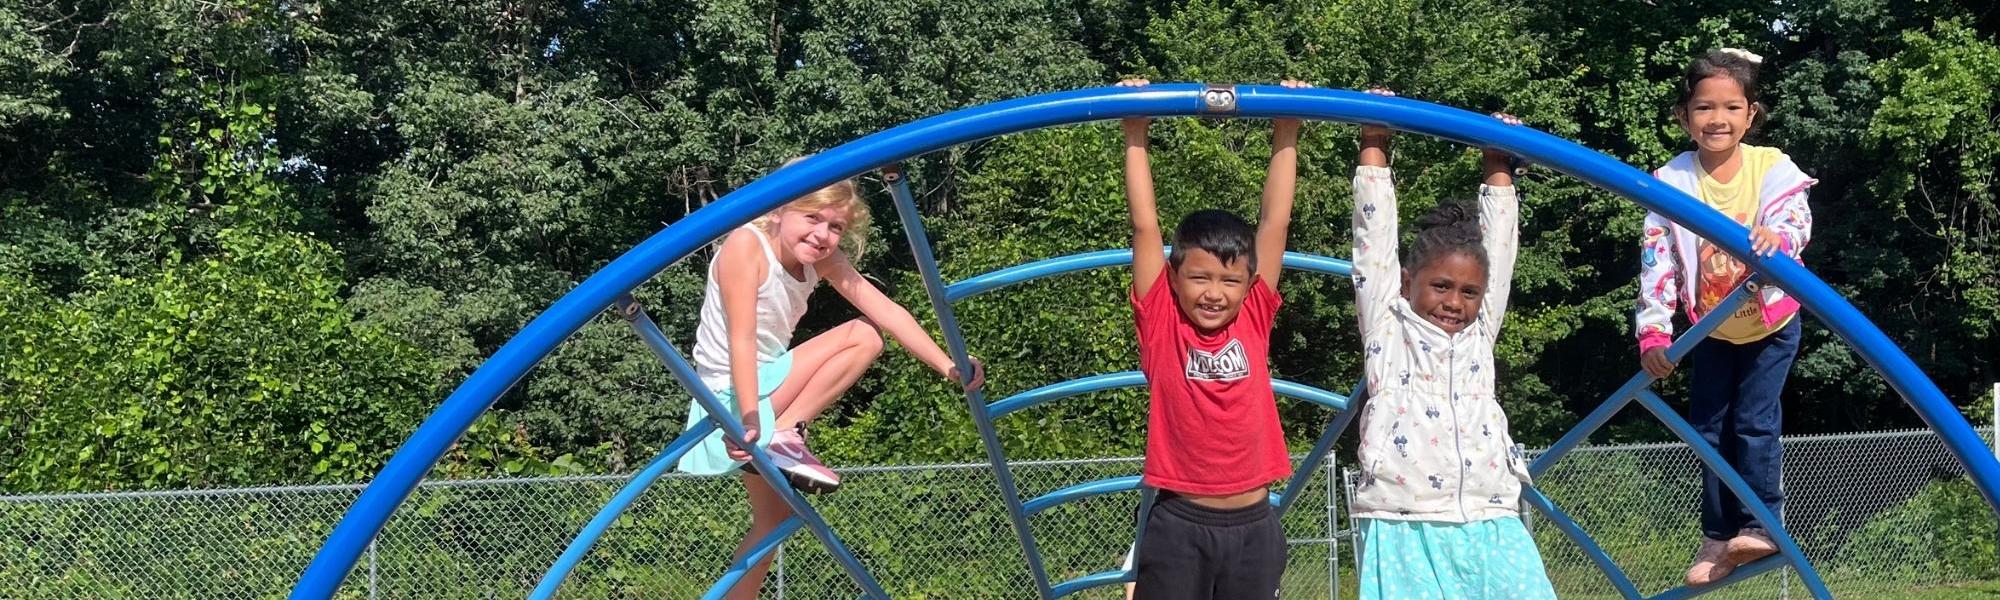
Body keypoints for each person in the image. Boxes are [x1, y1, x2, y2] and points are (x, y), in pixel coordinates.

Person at [680, 161, 985, 599]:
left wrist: (948, 365)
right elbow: (741, 340)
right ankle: (785, 431)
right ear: (781, 209)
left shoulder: (823, 258)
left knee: (774, 523)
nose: (822, 235)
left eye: (836, 227)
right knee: (861, 336)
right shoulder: (746, 246)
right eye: (813, 218)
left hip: (761, 394)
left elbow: (888, 310)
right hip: (733, 396)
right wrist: (746, 419)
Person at [1348, 88, 1556, 599]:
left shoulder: (1480, 331)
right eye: (1440, 286)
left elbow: (1501, 251)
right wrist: (1374, 138)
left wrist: (1496, 161)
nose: (1454, 302)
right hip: (1404, 516)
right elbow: (1372, 235)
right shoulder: (1387, 326)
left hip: (1489, 512)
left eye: (1468, 292)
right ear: (1406, 281)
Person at [1633, 48, 1816, 586]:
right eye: (1704, 108)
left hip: (1769, 322)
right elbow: (1657, 257)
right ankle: (1718, 538)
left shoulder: (1769, 165)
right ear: (1683, 117)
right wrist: (1653, 330)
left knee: (1753, 421)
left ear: (1750, 115)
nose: (1718, 119)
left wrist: (1778, 236)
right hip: (1708, 328)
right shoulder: (1671, 181)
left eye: (1731, 108)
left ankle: (1761, 525)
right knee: (1707, 431)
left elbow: (1796, 216)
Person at [1118, 77, 1306, 599]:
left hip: (1254, 524)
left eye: (1229, 281)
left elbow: (1275, 220)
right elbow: (1144, 227)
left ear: (1250, 285)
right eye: (1199, 278)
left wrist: (1286, 127)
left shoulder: (1253, 316)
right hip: (1178, 523)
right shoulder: (1162, 320)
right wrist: (1136, 129)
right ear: (1174, 278)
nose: (1214, 294)